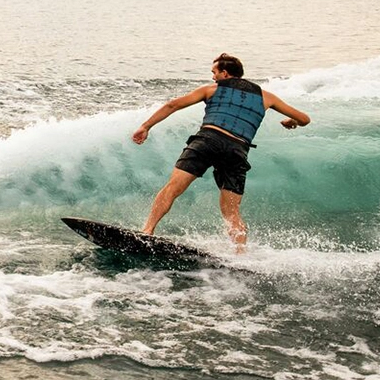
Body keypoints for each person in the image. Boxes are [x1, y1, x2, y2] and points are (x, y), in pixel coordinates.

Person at [131, 53, 311, 253]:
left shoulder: (212, 89)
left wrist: (146, 126)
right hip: (237, 151)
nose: (213, 77)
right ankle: (240, 255)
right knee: (231, 212)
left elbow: (173, 104)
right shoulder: (265, 96)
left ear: (225, 73)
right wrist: (291, 122)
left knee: (172, 188)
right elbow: (304, 119)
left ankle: (147, 230)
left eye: (214, 73)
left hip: (208, 141)